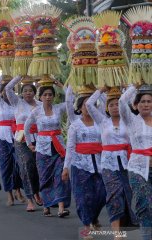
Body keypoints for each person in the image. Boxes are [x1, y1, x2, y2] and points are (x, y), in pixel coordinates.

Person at [86, 87, 137, 235]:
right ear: (107, 108)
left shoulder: (129, 120)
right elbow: (89, 104)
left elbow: (129, 100)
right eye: (111, 105)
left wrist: (131, 87)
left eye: (117, 104)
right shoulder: (102, 121)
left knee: (127, 194)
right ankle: (116, 232)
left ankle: (126, 226)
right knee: (114, 195)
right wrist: (101, 90)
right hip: (108, 164)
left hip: (128, 163)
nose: (115, 107)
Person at [62, 87, 106, 234]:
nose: (88, 108)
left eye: (91, 105)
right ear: (80, 108)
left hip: (100, 163)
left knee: (102, 194)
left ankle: (94, 217)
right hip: (79, 164)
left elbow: (106, 101)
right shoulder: (75, 123)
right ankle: (86, 226)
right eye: (84, 105)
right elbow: (70, 147)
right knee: (82, 197)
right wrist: (66, 167)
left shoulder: (101, 122)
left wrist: (100, 89)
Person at [24, 80, 71, 217]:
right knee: (44, 177)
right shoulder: (36, 112)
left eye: (50, 94)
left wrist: (62, 86)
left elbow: (70, 101)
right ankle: (46, 204)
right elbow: (26, 127)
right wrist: (29, 143)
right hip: (43, 148)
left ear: (54, 96)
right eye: (45, 95)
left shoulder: (59, 108)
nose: (48, 97)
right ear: (40, 97)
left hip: (58, 147)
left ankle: (61, 207)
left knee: (60, 176)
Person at [5, 75, 43, 211]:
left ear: (34, 92)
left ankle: (37, 191)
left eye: (30, 90)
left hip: (38, 138)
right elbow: (8, 88)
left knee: (38, 167)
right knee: (26, 166)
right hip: (21, 139)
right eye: (25, 90)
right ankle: (30, 199)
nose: (28, 93)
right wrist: (20, 76)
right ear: (21, 93)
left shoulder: (40, 104)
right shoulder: (17, 102)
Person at [119, 85, 152, 240]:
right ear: (136, 105)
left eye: (149, 101)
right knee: (144, 204)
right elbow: (121, 101)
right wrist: (135, 86)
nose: (146, 104)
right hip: (138, 169)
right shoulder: (131, 120)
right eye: (143, 101)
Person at [0, 76, 24, 206]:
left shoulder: (17, 102)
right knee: (5, 166)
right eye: (4, 90)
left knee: (18, 165)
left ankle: (18, 190)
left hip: (16, 135)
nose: (7, 93)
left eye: (9, 90)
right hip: (2, 137)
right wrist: (4, 77)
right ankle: (9, 194)